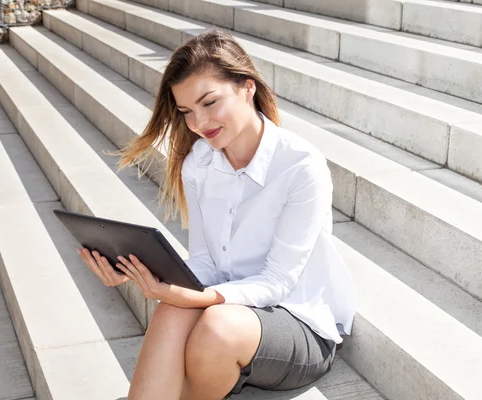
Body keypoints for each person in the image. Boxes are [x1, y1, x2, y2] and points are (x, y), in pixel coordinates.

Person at [77, 29, 357, 400]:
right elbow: (207, 263)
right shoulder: (199, 164)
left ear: (247, 87)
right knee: (172, 310)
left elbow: (277, 281)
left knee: (215, 325)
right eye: (187, 112)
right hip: (231, 308)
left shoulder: (300, 166)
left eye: (209, 102)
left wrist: (199, 299)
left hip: (298, 322)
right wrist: (139, 273)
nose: (198, 123)